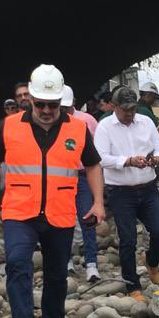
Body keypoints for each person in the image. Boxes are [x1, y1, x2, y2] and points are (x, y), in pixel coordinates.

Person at [0, 65, 104, 318]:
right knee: (17, 265)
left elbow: (92, 165)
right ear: (29, 99)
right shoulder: (10, 126)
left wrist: (97, 202)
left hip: (60, 212)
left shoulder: (77, 129)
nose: (45, 110)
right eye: (39, 104)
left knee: (57, 275)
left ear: (60, 102)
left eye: (52, 105)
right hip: (20, 211)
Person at [94, 86, 159, 302]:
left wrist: (157, 159)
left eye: (133, 109)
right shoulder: (105, 126)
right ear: (114, 107)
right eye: (125, 109)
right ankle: (132, 285)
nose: (130, 113)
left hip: (148, 187)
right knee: (128, 240)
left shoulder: (145, 122)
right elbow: (99, 158)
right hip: (120, 191)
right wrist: (127, 161)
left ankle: (152, 261)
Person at [62, 85, 102, 282]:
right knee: (64, 220)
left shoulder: (87, 121)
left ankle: (91, 264)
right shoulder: (52, 122)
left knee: (87, 219)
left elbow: (96, 151)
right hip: (61, 177)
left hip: (83, 176)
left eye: (67, 108)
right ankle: (66, 261)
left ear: (74, 103)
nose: (64, 112)